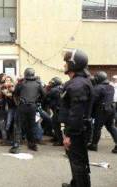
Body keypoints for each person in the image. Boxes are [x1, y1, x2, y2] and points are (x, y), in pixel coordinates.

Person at [60, 49, 93, 187]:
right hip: (78, 129)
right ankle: (76, 184)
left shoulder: (78, 84)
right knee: (77, 159)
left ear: (73, 64)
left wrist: (69, 135)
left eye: (66, 62)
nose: (64, 65)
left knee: (77, 162)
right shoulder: (78, 82)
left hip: (76, 131)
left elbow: (76, 113)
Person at [9, 68, 45, 154]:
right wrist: (37, 101)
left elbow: (15, 93)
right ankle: (32, 144)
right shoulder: (38, 83)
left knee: (18, 125)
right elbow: (44, 95)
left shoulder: (21, 83)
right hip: (33, 107)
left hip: (22, 106)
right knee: (32, 126)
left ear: (25, 74)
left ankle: (16, 145)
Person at [88, 71, 117, 153]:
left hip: (101, 110)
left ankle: (93, 145)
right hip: (111, 109)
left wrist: (89, 113)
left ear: (98, 79)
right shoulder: (110, 87)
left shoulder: (98, 88)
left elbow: (92, 102)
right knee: (111, 127)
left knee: (97, 128)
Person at [45, 77, 63, 146]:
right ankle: (56, 137)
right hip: (60, 109)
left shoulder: (54, 90)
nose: (51, 83)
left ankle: (59, 140)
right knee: (55, 123)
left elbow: (46, 96)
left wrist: (47, 87)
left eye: (52, 82)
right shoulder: (61, 88)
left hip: (57, 109)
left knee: (56, 125)